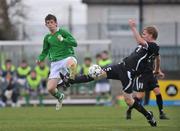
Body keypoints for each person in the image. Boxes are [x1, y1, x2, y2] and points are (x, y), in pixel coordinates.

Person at [61, 19, 159, 127]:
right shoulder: (145, 46)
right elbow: (148, 53)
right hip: (120, 67)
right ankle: (70, 80)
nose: (142, 35)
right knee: (95, 75)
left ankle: (148, 115)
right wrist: (157, 69)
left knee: (129, 100)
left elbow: (143, 44)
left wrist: (133, 27)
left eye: (144, 34)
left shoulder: (153, 46)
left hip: (129, 74)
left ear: (151, 35)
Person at [36, 14, 78, 110]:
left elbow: (75, 43)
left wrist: (63, 40)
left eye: (51, 22)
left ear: (56, 23)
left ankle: (68, 80)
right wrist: (40, 58)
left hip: (67, 57)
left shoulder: (62, 32)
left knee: (72, 64)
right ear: (46, 25)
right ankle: (60, 97)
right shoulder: (47, 38)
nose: (50, 24)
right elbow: (45, 51)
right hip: (55, 63)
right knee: (50, 89)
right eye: (48, 23)